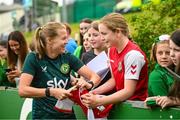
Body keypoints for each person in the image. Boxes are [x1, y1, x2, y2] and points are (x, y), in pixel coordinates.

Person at [18, 22, 100, 119]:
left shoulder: (67, 57)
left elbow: (95, 77)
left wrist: (88, 84)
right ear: (50, 40)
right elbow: (22, 90)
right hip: (43, 117)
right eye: (63, 38)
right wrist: (51, 92)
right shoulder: (34, 58)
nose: (67, 42)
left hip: (67, 116)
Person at [81, 13, 148, 108]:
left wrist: (100, 101)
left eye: (104, 34)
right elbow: (114, 80)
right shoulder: (111, 50)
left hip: (136, 107)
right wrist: (93, 92)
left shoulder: (133, 55)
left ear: (118, 32)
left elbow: (128, 91)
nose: (102, 38)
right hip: (121, 105)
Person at [145, 29, 180, 108]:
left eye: (167, 52)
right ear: (155, 54)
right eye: (160, 53)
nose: (164, 57)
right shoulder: (156, 76)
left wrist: (175, 100)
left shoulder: (176, 70)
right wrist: (158, 100)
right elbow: (165, 102)